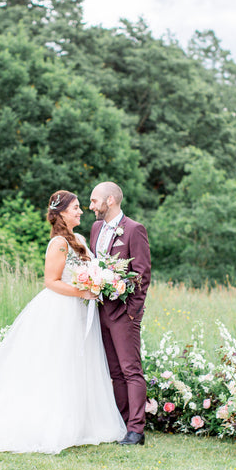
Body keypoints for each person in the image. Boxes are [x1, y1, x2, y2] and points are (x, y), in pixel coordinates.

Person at [0, 190, 127, 454]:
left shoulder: (81, 239)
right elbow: (51, 282)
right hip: (62, 309)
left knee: (79, 362)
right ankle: (51, 422)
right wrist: (82, 291)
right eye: (75, 208)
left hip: (82, 310)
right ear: (62, 212)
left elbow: (88, 270)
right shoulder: (58, 243)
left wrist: (96, 282)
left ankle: (81, 422)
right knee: (57, 364)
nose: (80, 211)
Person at [88, 182, 151, 446]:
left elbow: (142, 274)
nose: (91, 207)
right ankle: (123, 424)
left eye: (94, 201)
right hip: (99, 310)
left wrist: (132, 313)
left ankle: (137, 430)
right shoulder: (95, 228)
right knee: (113, 371)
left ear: (110, 200)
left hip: (124, 313)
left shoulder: (134, 230)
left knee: (130, 370)